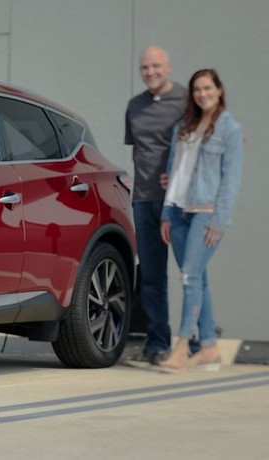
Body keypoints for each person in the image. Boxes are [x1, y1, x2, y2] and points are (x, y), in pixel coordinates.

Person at [158, 69, 243, 372]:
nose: (202, 94)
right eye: (197, 89)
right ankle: (208, 346)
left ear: (219, 90)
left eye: (208, 88)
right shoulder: (183, 126)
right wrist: (166, 213)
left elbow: (230, 182)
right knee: (198, 278)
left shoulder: (230, 130)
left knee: (189, 278)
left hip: (207, 213)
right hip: (179, 211)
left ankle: (182, 346)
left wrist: (218, 222)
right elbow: (173, 173)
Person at [124, 46, 187, 365]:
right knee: (151, 275)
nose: (150, 72)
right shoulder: (135, 106)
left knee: (191, 273)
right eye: (145, 67)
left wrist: (178, 180)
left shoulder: (188, 102)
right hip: (144, 200)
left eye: (156, 66)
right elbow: (140, 151)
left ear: (169, 67)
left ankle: (195, 341)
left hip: (179, 202)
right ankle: (158, 343)